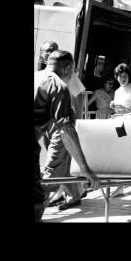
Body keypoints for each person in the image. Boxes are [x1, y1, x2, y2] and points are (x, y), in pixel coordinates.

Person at [34, 50, 100, 222]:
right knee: (36, 201)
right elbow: (66, 131)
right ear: (68, 68)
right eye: (74, 71)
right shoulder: (58, 86)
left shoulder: (36, 77)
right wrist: (85, 169)